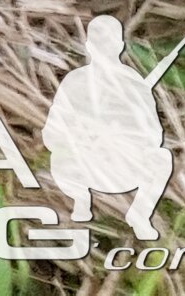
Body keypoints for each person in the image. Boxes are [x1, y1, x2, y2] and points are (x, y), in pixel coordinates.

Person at [43, 16, 171, 236]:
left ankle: (139, 214)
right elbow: (51, 131)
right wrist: (85, 136)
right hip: (82, 164)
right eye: (100, 44)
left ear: (120, 45)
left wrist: (125, 136)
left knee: (162, 158)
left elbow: (154, 135)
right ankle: (81, 204)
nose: (106, 50)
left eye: (111, 43)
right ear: (90, 46)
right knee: (60, 160)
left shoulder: (133, 82)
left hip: (122, 165)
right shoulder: (75, 81)